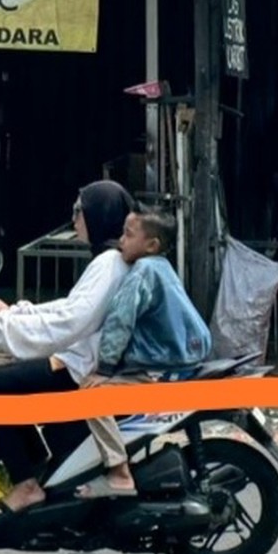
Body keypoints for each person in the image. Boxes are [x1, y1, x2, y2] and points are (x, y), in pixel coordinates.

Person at [0, 179, 132, 523]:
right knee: (2, 384)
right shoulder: (107, 261)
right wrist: (15, 313)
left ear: (100, 215)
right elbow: (69, 308)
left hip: (78, 366)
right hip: (76, 358)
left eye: (79, 212)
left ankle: (26, 484)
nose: (75, 220)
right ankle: (37, 467)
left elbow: (71, 320)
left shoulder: (109, 263)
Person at [75, 209, 213, 499]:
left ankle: (119, 472)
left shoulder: (143, 271)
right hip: (186, 364)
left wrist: (104, 369)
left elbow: (119, 321)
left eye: (128, 234)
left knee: (89, 396)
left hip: (159, 371)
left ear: (151, 245)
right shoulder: (162, 268)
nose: (121, 240)